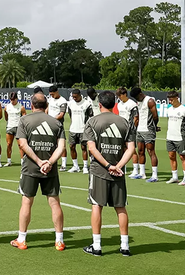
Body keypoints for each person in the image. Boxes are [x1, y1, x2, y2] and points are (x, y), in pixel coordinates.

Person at [82, 91, 135, 257]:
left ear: (99, 104)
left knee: (97, 205)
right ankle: (125, 246)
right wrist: (118, 166)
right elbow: (131, 149)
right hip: (118, 171)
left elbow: (91, 148)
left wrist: (108, 165)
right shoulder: (125, 122)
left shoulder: (92, 121)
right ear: (115, 104)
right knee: (121, 207)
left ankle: (97, 246)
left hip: (99, 170)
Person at [12, 93, 65, 251]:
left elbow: (22, 144)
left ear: (31, 105)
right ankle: (59, 241)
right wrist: (49, 162)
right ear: (46, 105)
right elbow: (61, 147)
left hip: (30, 168)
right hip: (50, 169)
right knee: (55, 203)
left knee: (27, 202)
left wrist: (38, 161)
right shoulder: (56, 123)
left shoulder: (24, 120)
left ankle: (22, 239)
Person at [130, 87, 159, 183]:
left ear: (140, 94)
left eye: (136, 97)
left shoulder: (149, 101)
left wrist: (154, 126)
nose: (136, 99)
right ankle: (142, 173)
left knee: (151, 151)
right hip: (140, 129)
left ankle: (155, 175)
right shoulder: (138, 102)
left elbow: (155, 116)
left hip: (148, 130)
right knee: (140, 151)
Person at [164, 91, 185, 185]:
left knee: (182, 157)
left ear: (177, 98)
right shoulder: (169, 109)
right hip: (170, 136)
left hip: (180, 137)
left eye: (171, 99)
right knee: (171, 156)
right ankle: (174, 177)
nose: (170, 101)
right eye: (169, 100)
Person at [66, 89, 94, 174]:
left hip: (83, 129)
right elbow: (70, 115)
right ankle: (76, 166)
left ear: (79, 95)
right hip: (73, 129)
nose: (74, 98)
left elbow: (90, 116)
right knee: (71, 147)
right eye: (73, 97)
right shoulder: (70, 104)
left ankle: (85, 166)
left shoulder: (87, 104)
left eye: (75, 97)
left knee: (83, 147)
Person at [116, 88, 140, 178]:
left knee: (132, 150)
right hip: (121, 129)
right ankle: (123, 168)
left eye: (120, 95)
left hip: (130, 129)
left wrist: (133, 128)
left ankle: (135, 170)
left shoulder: (132, 104)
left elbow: (136, 117)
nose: (119, 97)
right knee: (122, 149)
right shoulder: (119, 104)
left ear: (125, 94)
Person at [47, 86, 69, 171]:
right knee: (50, 144)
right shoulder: (50, 99)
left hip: (58, 125)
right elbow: (47, 109)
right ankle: (51, 162)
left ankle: (63, 164)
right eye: (50, 95)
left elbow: (61, 114)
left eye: (53, 94)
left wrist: (52, 120)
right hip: (49, 124)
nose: (52, 96)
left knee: (61, 144)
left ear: (57, 92)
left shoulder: (62, 101)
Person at [4, 92, 26, 167]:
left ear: (16, 99)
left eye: (13, 100)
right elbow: (6, 117)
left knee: (20, 145)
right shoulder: (7, 107)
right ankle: (9, 161)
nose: (12, 101)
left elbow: (24, 118)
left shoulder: (21, 107)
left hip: (18, 128)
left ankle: (22, 161)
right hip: (10, 127)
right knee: (9, 144)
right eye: (11, 100)